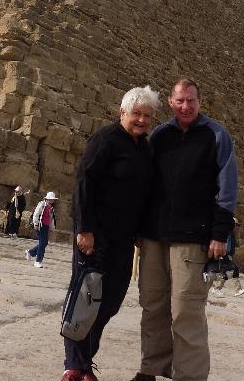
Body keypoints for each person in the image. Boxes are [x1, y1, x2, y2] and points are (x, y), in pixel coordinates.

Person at [132, 78, 238, 381]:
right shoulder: (161, 136)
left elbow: (227, 189)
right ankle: (150, 369)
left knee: (186, 312)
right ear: (170, 102)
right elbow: (146, 186)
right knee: (152, 307)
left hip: (192, 240)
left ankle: (189, 377)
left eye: (191, 100)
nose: (185, 106)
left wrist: (220, 233)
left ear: (200, 101)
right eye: (180, 101)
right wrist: (139, 228)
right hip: (153, 238)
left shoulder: (217, 135)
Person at [60, 85, 160, 381]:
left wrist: (141, 232)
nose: (141, 120)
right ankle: (74, 366)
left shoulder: (145, 147)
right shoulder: (105, 138)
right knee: (85, 297)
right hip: (96, 233)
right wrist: (85, 229)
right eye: (136, 114)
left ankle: (85, 360)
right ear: (122, 112)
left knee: (110, 300)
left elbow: (146, 194)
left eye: (147, 115)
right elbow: (83, 183)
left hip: (124, 238)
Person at [211, 217, 244, 297]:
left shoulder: (231, 233)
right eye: (236, 225)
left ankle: (216, 288)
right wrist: (225, 255)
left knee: (226, 273)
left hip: (227, 255)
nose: (237, 227)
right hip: (225, 255)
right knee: (233, 270)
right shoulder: (228, 233)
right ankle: (238, 289)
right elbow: (227, 246)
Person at [25, 191, 57, 268]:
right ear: (47, 199)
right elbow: (36, 214)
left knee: (44, 243)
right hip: (40, 225)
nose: (52, 200)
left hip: (46, 226)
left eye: (53, 199)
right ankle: (38, 261)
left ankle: (30, 252)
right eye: (51, 199)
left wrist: (52, 228)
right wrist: (35, 223)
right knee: (42, 243)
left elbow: (51, 219)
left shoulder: (51, 207)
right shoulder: (42, 204)